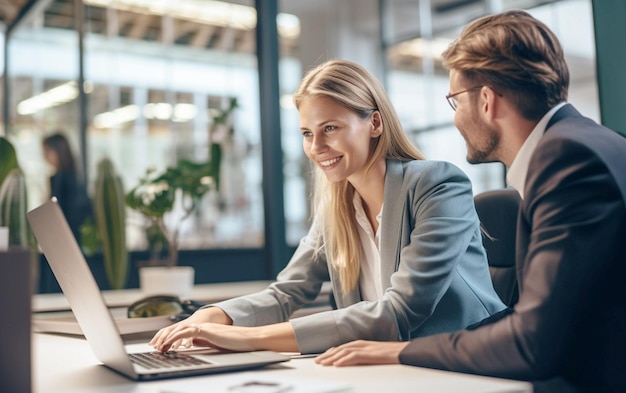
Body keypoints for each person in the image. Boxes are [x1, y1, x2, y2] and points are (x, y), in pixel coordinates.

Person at [315, 10, 626, 393]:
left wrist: (400, 352)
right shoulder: (591, 143)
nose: (456, 119)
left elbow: (533, 341)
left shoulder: (566, 161)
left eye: (455, 101)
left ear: (487, 101)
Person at [150, 59, 505, 355]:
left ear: (375, 124)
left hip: (468, 363)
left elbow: (399, 311)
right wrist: (212, 317)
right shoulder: (338, 208)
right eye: (307, 133)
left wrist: (247, 338)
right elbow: (287, 292)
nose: (316, 146)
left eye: (330, 128)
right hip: (382, 368)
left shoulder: (436, 185)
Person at [42, 132, 93, 242]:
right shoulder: (75, 176)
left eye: (46, 151)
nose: (44, 156)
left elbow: (57, 212)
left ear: (57, 152)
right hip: (75, 238)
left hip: (65, 238)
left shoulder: (61, 179)